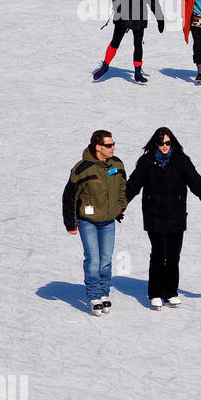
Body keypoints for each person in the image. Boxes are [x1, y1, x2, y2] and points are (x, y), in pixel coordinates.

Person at [126, 127, 201, 309]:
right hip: (154, 217)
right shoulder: (147, 162)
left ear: (172, 142)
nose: (164, 146)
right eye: (161, 143)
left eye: (167, 143)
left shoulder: (181, 161)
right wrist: (119, 208)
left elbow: (198, 185)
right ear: (155, 143)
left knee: (174, 256)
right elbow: (132, 186)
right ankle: (155, 292)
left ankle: (170, 292)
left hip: (176, 217)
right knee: (159, 254)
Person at [62, 130, 127, 316]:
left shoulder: (117, 164)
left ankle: (104, 293)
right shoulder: (82, 169)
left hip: (108, 221)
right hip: (87, 221)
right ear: (98, 147)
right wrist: (71, 223)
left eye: (113, 144)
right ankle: (94, 296)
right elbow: (69, 197)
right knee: (93, 259)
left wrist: (120, 207)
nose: (113, 147)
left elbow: (123, 187)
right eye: (109, 145)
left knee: (106, 260)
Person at [93, 0, 164, 83]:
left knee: (138, 45)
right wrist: (120, 9)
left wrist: (160, 18)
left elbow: (153, 0)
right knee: (115, 42)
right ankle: (105, 65)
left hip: (139, 18)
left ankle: (137, 73)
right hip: (123, 17)